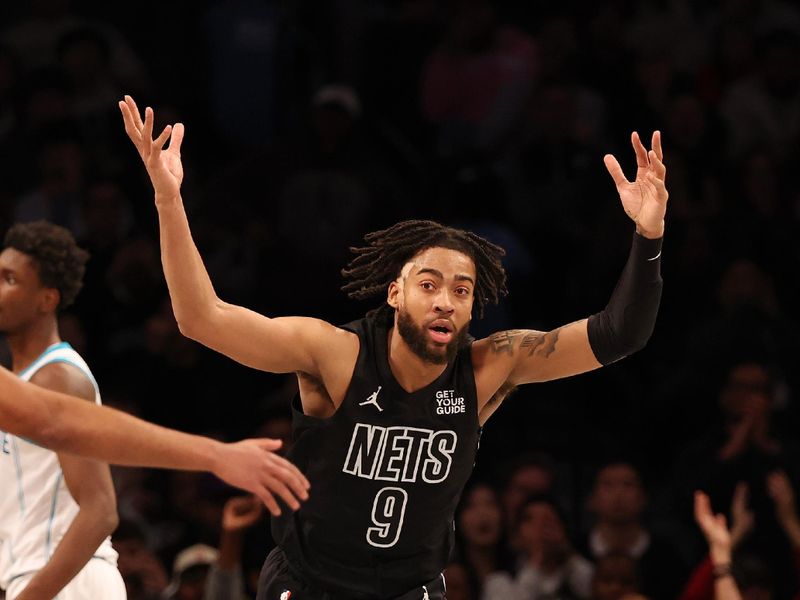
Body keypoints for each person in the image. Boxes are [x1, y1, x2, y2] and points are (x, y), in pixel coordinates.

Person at [119, 94, 668, 600]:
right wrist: (169, 200)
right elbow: (201, 320)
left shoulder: (491, 364)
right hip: (310, 586)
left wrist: (648, 236)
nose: (446, 301)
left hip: (411, 590)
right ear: (395, 292)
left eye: (461, 290)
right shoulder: (335, 354)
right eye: (428, 284)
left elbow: (621, 335)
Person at [0, 220, 123, 599]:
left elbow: (101, 510)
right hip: (44, 578)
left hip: (72, 582)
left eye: (10, 279)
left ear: (47, 299)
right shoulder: (22, 382)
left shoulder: (59, 378)